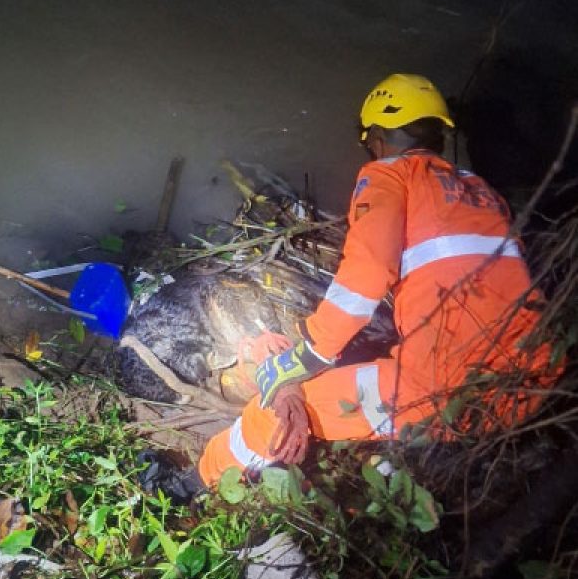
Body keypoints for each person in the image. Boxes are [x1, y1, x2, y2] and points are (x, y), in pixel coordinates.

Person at [138, 73, 556, 501]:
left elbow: (365, 278)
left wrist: (307, 354)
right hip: (533, 378)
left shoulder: (387, 175)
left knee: (270, 413)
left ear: (376, 136)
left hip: (448, 392)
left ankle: (187, 487)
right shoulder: (479, 189)